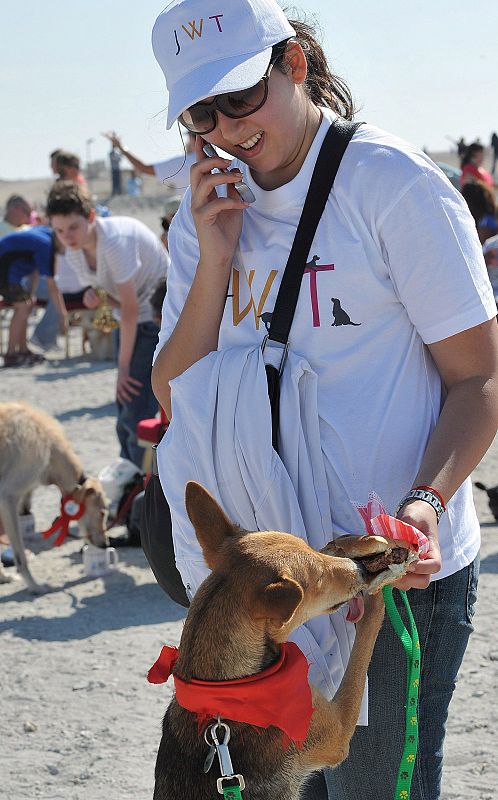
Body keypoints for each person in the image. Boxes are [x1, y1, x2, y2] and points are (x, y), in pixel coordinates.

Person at [149, 1, 498, 799]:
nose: (227, 128)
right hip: (270, 592)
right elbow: (174, 393)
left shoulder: (392, 184)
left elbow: (479, 379)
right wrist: (215, 256)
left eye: (241, 97)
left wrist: (424, 506)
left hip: (385, 573)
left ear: (296, 64)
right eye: (202, 114)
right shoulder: (203, 209)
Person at [46, 181, 170, 468]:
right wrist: (98, 298)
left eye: (73, 227)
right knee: (125, 403)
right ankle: (128, 470)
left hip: (159, 315)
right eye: (59, 231)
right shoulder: (75, 252)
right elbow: (120, 304)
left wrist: (123, 367)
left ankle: (139, 476)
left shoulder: (114, 242)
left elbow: (131, 309)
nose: (67, 236)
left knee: (135, 401)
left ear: (91, 216)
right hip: (132, 315)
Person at [0, 225, 67, 367]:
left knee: (27, 304)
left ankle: (23, 350)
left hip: (10, 272)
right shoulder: (46, 245)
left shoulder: (47, 235)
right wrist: (62, 315)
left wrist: (31, 294)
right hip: (5, 271)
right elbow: (52, 287)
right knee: (22, 307)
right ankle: (11, 354)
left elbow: (34, 271)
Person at [102, 129, 197, 195]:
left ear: (194, 140)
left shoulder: (184, 163)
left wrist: (121, 147)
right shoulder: (204, 159)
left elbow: (144, 168)